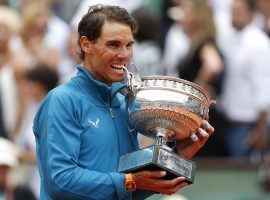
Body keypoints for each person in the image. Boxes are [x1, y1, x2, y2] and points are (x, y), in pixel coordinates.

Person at [33, 4, 214, 200]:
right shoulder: (61, 101)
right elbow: (60, 181)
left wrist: (177, 155)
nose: (124, 55)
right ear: (86, 44)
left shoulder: (125, 103)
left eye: (129, 45)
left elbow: (129, 190)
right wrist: (130, 180)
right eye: (113, 44)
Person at [219, 0, 270, 159]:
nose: (234, 16)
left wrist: (261, 130)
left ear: (251, 13)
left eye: (238, 11)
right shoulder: (235, 39)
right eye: (232, 11)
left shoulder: (258, 43)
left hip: (248, 125)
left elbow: (263, 86)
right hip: (230, 122)